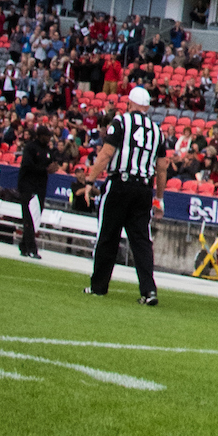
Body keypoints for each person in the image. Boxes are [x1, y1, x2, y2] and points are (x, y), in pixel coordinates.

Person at [86, 85, 164, 305]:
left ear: (129, 104)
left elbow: (106, 154)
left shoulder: (121, 122)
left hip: (120, 184)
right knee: (141, 242)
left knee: (108, 236)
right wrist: (159, 198)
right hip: (143, 189)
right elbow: (162, 167)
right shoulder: (157, 130)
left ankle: (99, 286)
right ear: (147, 107)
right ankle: (149, 291)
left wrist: (90, 180)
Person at [15, 120, 50, 259]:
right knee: (28, 217)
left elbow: (50, 162)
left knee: (35, 217)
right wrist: (45, 169)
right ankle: (32, 249)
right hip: (28, 186)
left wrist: (51, 167)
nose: (48, 138)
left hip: (40, 187)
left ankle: (24, 246)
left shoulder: (47, 150)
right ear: (40, 136)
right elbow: (28, 165)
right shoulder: (30, 148)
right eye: (46, 136)